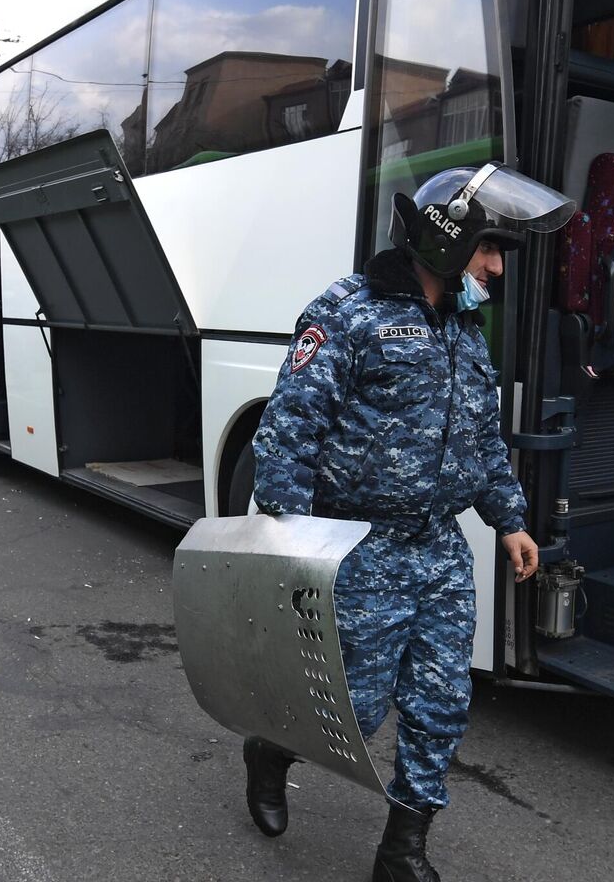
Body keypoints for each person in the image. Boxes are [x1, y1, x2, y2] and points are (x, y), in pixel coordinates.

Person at [242, 164, 573, 882]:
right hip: (358, 547)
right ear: (447, 238)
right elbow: (289, 434)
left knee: (442, 703)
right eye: (490, 249)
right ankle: (271, 749)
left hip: (438, 550)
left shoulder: (464, 328)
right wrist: (291, 544)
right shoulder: (347, 313)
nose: (495, 267)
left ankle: (403, 851)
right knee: (353, 710)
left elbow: (483, 439)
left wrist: (510, 520)